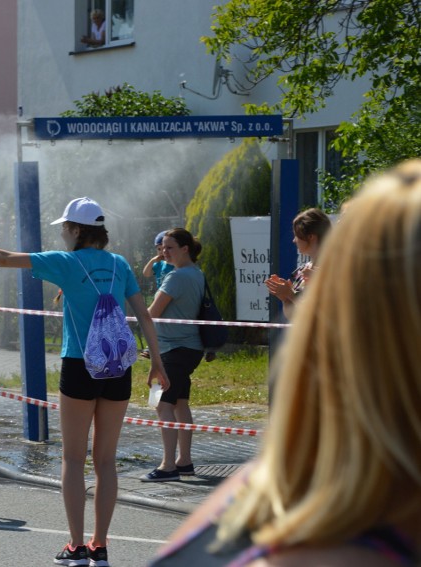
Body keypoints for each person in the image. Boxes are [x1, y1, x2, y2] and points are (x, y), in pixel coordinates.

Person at [150, 162, 421, 566]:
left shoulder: (278, 503)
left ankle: (177, 461)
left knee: (172, 404)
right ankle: (177, 461)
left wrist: (293, 302)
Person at [0, 196, 168, 567]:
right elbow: (144, 316)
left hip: (79, 364)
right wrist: (157, 362)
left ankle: (76, 546)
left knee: (74, 459)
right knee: (106, 461)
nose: (61, 233)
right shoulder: (119, 263)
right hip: (118, 368)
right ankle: (101, 546)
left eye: (64, 227)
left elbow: (4, 258)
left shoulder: (66, 262)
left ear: (77, 230)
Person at [140, 228, 205, 483]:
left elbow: (151, 312)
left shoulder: (176, 277)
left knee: (161, 404)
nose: (164, 252)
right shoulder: (196, 273)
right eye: (162, 248)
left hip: (172, 350)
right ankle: (184, 461)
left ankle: (168, 466)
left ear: (185, 249)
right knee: (180, 403)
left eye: (170, 248)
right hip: (188, 348)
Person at [265, 207, 332, 320]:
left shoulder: (333, 269)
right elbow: (293, 316)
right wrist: (285, 298)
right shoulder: (301, 271)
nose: (294, 240)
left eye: (296, 235)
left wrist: (291, 295)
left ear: (311, 237)